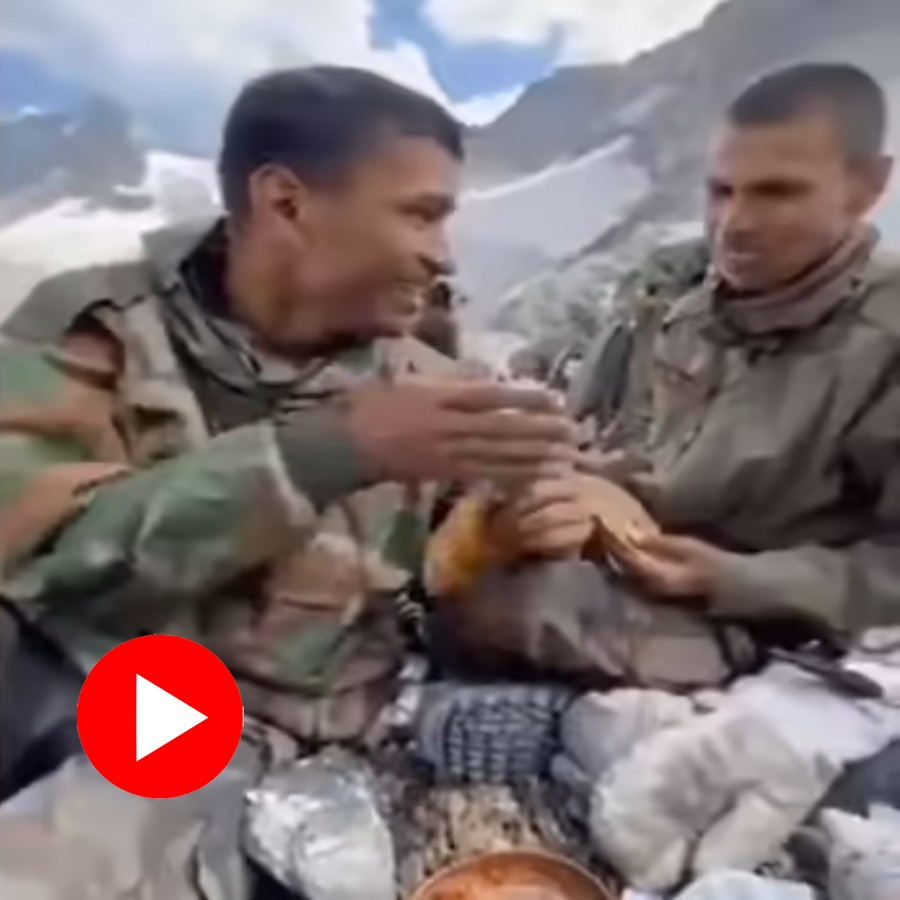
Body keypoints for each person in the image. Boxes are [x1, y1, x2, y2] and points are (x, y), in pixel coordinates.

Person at [0, 66, 590, 895]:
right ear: (286, 202)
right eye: (421, 213)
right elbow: (48, 556)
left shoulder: (438, 380)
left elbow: (444, 598)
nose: (441, 252)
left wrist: (499, 542)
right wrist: (331, 449)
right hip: (95, 672)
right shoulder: (98, 330)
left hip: (283, 722)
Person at [442, 62, 900, 693]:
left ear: (867, 186)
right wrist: (571, 484)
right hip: (631, 565)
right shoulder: (681, 300)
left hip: (766, 619)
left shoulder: (886, 337)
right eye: (721, 191)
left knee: (521, 606)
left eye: (776, 192)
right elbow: (635, 449)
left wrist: (730, 579)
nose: (734, 223)